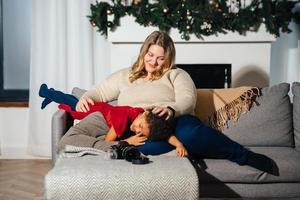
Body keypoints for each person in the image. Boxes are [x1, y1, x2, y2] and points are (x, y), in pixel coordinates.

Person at [59, 31, 278, 175]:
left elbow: (188, 99)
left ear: (168, 58)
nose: (153, 62)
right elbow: (99, 91)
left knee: (190, 134)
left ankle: (242, 155)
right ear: (144, 52)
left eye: (160, 58)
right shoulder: (126, 75)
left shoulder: (176, 74)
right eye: (150, 55)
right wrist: (87, 97)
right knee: (146, 147)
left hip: (172, 120)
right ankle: (187, 149)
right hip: (140, 127)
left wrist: (170, 108)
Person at [39, 84, 188, 157]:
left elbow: (165, 133)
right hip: (95, 112)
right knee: (71, 102)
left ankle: (49, 97)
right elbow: (108, 140)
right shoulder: (124, 118)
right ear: (145, 114)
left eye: (141, 132)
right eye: (139, 127)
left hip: (103, 111)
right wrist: (128, 141)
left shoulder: (145, 117)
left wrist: (179, 144)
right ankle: (47, 92)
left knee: (69, 102)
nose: (137, 131)